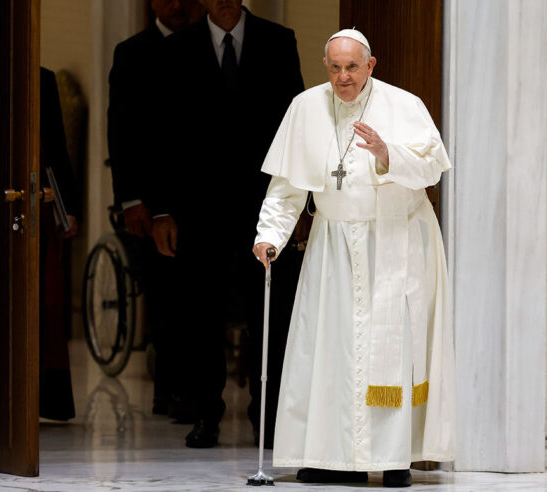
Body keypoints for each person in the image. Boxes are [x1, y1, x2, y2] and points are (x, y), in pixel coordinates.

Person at [252, 29, 456, 487]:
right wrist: (270, 237)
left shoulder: (405, 105)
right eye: (335, 67)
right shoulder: (305, 107)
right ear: (326, 66)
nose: (344, 77)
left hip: (396, 241)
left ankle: (393, 457)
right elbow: (287, 187)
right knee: (331, 350)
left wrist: (387, 154)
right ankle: (326, 457)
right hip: (333, 247)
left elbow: (433, 167)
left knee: (394, 349)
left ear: (371, 65)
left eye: (353, 67)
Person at [149, 0, 305, 448]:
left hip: (264, 205)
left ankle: (268, 415)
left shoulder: (278, 41)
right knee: (202, 314)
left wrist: (294, 206)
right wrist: (161, 210)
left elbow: (294, 128)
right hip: (198, 207)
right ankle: (205, 414)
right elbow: (160, 132)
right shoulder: (178, 48)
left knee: (269, 311)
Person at [107, 0, 205, 419]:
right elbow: (122, 130)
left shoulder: (205, 47)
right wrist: (132, 200)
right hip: (148, 198)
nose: (177, 5)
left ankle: (200, 389)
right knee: (164, 297)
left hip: (198, 194)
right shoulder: (132, 53)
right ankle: (170, 389)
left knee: (199, 296)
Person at [39, 67, 81, 421]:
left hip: (38, 201)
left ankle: (46, 399)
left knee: (45, 302)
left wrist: (69, 208)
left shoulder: (42, 79)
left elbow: (56, 149)